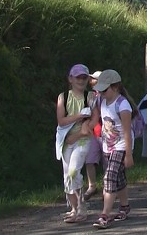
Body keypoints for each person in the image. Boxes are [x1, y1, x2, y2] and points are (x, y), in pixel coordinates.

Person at [90, 69, 133, 229]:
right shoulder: (102, 101)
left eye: (104, 90)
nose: (101, 93)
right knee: (118, 178)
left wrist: (128, 154)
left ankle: (104, 215)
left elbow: (128, 131)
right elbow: (96, 119)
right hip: (107, 146)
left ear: (115, 87)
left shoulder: (123, 105)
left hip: (121, 146)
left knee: (109, 178)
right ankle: (124, 206)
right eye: (100, 90)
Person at [56, 64, 97, 223]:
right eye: (78, 77)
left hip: (82, 140)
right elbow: (61, 120)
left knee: (74, 171)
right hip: (66, 140)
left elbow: (95, 118)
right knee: (67, 175)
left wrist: (85, 129)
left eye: (84, 77)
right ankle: (74, 209)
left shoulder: (90, 97)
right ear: (70, 79)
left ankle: (81, 206)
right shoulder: (63, 97)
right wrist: (79, 116)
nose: (81, 80)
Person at [83, 70, 103, 202]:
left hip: (107, 133)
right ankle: (92, 186)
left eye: (95, 79)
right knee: (89, 159)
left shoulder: (108, 95)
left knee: (108, 162)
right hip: (93, 132)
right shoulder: (90, 96)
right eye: (92, 79)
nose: (92, 81)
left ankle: (109, 188)